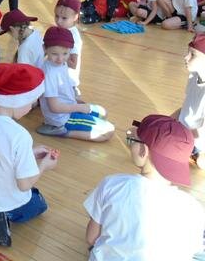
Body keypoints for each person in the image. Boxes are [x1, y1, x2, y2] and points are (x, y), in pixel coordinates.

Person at [84, 115, 205, 260]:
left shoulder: (111, 184)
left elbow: (91, 238)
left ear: (143, 151)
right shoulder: (193, 208)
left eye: (133, 141)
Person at [0, 63, 57, 247]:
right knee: (38, 202)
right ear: (16, 100)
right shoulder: (19, 135)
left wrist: (30, 153)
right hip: (4, 197)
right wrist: (44, 166)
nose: (31, 107)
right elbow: (24, 185)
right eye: (31, 102)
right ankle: (1, 217)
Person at [37, 27, 114, 141]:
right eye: (54, 54)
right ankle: (61, 131)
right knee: (109, 131)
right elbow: (55, 107)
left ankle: (68, 124)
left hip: (69, 107)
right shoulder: (49, 73)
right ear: (45, 49)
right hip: (62, 118)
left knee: (103, 113)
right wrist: (80, 108)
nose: (60, 59)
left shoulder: (60, 64)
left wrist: (75, 100)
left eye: (65, 53)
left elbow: (63, 89)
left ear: (70, 50)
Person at [173, 34, 205, 169]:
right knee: (135, 132)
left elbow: (199, 133)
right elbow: (185, 109)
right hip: (185, 133)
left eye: (193, 55)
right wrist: (165, 122)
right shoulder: (194, 75)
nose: (186, 57)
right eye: (188, 53)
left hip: (196, 141)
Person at [54, 0, 83, 89]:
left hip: (68, 83)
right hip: (58, 79)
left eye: (64, 18)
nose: (58, 21)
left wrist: (54, 51)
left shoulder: (74, 37)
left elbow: (73, 64)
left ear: (75, 17)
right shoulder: (60, 30)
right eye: (56, 16)